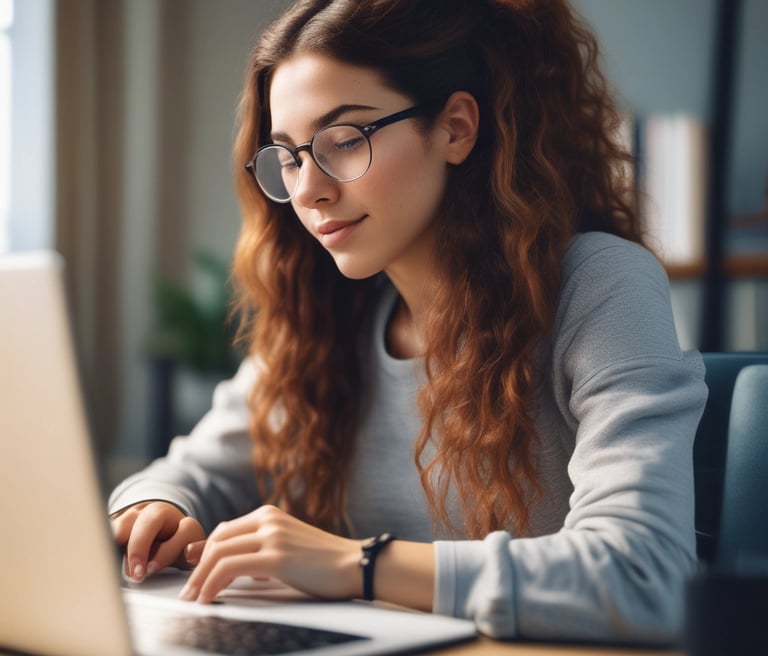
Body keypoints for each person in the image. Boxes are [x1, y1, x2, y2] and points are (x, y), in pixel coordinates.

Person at [109, 0, 708, 645]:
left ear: (455, 128)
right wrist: (156, 508)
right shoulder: (327, 320)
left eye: (344, 140)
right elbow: (191, 472)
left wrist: (357, 564)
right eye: (287, 155)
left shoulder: (598, 285)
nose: (308, 189)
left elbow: (647, 571)